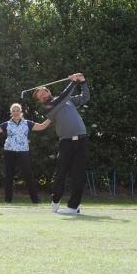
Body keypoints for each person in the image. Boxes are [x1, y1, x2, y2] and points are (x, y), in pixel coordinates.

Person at [33, 73, 90, 215]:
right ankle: (56, 199)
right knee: (61, 173)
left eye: (44, 91)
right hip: (66, 142)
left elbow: (85, 98)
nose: (44, 94)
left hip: (82, 140)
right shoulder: (48, 107)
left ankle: (73, 207)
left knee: (79, 175)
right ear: (40, 101)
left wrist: (83, 82)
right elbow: (64, 96)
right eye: (40, 95)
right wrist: (73, 82)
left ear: (49, 91)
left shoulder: (67, 100)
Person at [0, 103, 51, 204]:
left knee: (28, 175)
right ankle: (7, 200)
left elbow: (42, 126)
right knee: (9, 176)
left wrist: (52, 116)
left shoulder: (27, 123)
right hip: (9, 152)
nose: (15, 112)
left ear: (21, 112)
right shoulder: (7, 124)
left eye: (17, 110)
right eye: (13, 111)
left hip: (23, 152)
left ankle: (35, 200)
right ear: (11, 113)